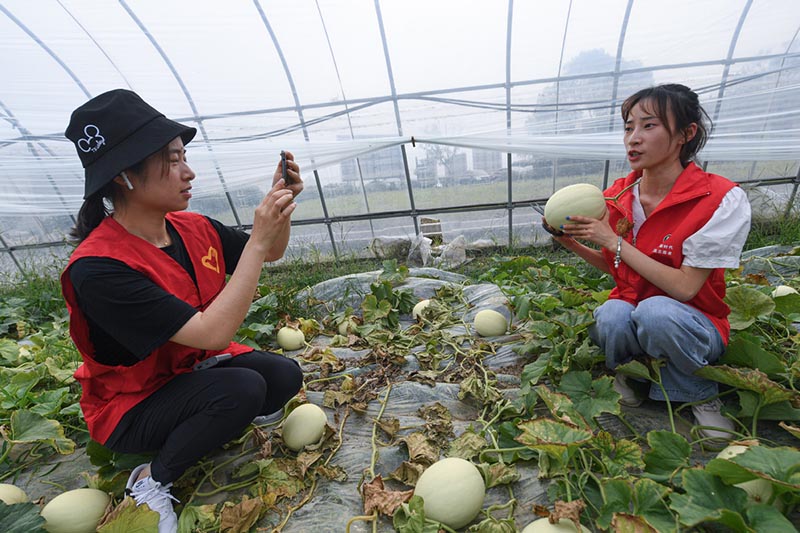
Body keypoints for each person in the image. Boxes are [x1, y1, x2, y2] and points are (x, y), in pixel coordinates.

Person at [61, 89, 304, 533]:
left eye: (184, 156)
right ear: (124, 176)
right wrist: (257, 240)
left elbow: (271, 253)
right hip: (130, 404)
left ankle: (205, 421)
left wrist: (280, 208)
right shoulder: (98, 269)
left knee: (285, 376)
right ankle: (150, 480)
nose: (188, 172)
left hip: (187, 369)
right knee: (242, 389)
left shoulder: (192, 228)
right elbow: (214, 333)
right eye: (172, 161)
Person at [545, 84, 751, 441]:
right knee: (611, 314)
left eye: (648, 126)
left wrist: (613, 240)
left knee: (656, 311)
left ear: (687, 134)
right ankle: (635, 372)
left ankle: (699, 393)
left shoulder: (719, 199)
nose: (633, 139)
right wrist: (570, 242)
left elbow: (686, 288)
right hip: (638, 316)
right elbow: (619, 268)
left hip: (695, 322)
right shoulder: (615, 196)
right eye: (628, 127)